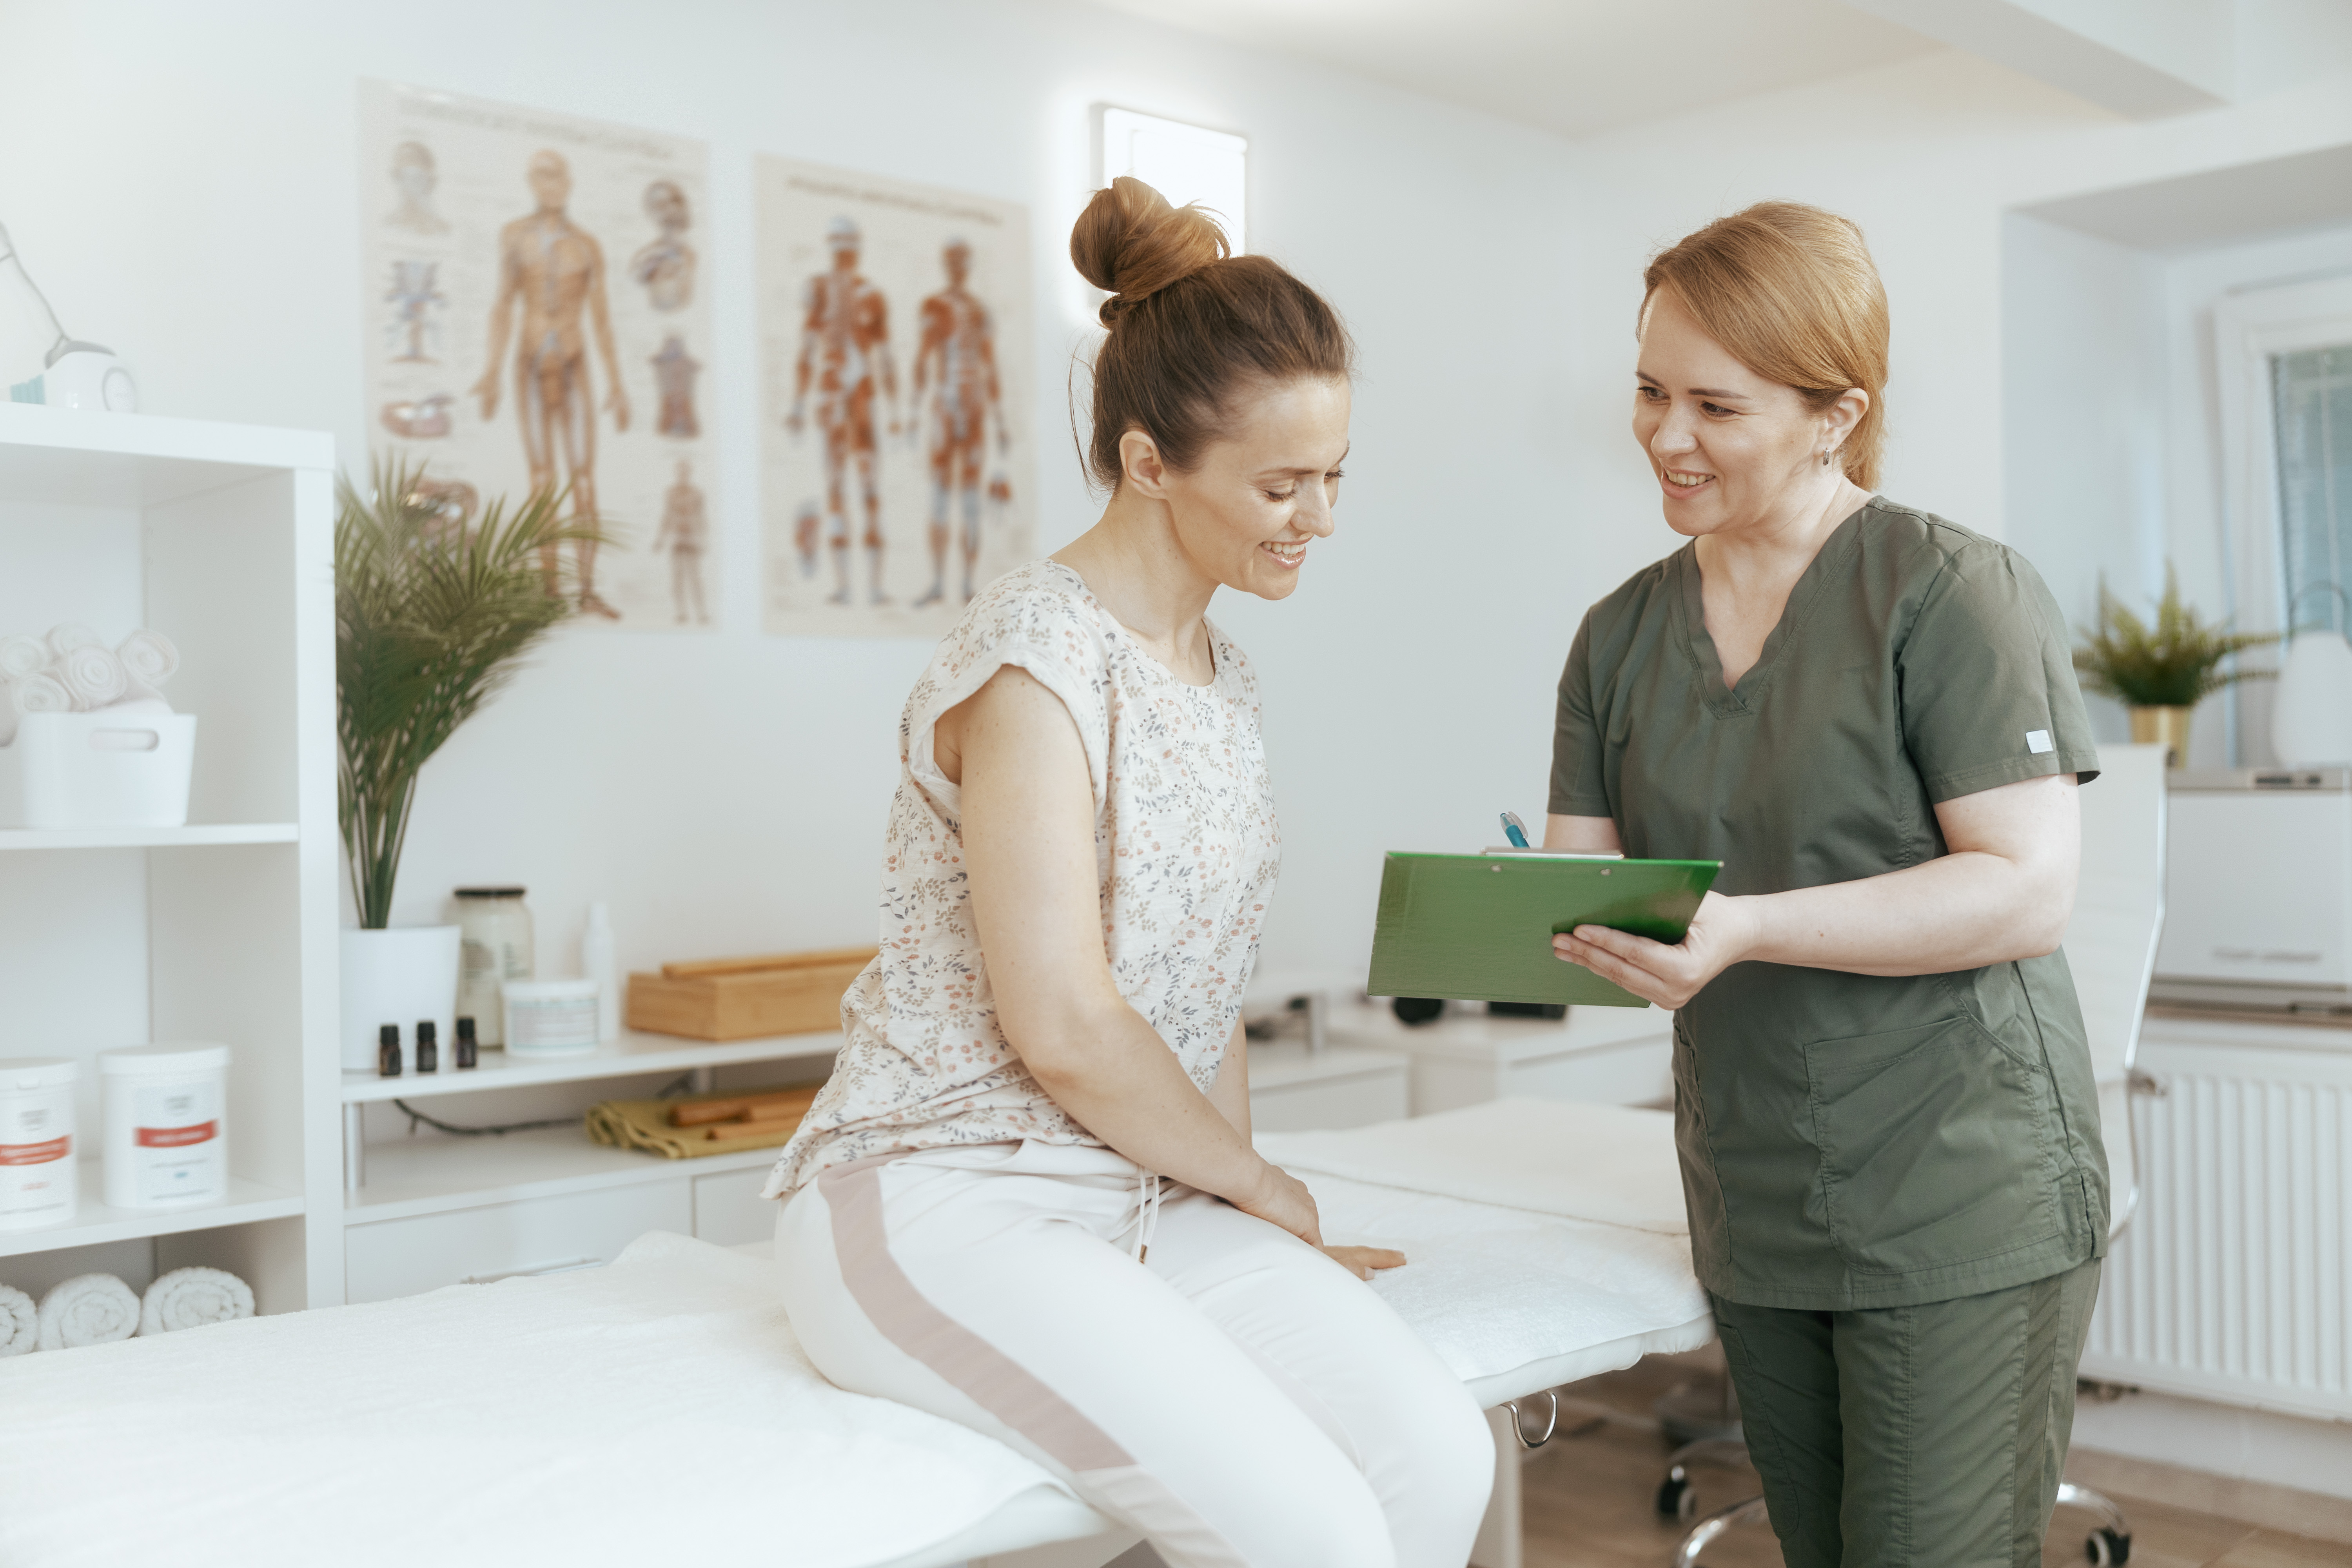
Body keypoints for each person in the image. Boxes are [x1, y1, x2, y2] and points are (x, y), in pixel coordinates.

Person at [765, 176, 1492, 1568]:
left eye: (1337, 474)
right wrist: (1265, 1190)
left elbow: (1198, 991)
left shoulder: (1224, 675)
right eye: (1282, 485)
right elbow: (1068, 1022)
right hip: (942, 1192)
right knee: (1313, 1530)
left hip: (1140, 1195)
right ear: (1149, 461)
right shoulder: (1037, 662)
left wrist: (1236, 1199)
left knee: (1434, 1456)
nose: (1320, 518)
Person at [1545, 202, 2108, 1568]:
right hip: (1759, 1190)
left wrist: (1738, 930)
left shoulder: (1952, 594)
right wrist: (1534, 912)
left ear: (1834, 414)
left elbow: (2027, 889)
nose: (1666, 436)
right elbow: (1589, 877)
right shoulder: (1619, 635)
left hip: (1959, 1187)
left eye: (1715, 405)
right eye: (1649, 389)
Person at [472, 149, 630, 618]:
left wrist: (617, 383)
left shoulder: (586, 245)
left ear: (569, 182)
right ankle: (548, 591)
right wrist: (490, 371)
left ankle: (585, 589)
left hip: (576, 359)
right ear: (531, 181)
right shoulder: (514, 238)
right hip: (530, 360)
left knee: (583, 477)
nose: (551, 184)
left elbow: (602, 318)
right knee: (542, 480)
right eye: (542, 176)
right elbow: (502, 304)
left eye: (558, 176)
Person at [788, 215, 898, 606]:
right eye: (841, 246)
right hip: (834, 398)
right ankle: (844, 586)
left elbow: (884, 355)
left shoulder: (872, 296)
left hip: (861, 399)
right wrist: (798, 406)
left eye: (850, 246)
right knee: (836, 489)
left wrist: (897, 410)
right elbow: (806, 351)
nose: (846, 254)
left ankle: (874, 586)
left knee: (869, 490)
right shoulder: (818, 291)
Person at [908, 236, 1008, 607]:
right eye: (953, 260)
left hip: (975, 411)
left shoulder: (980, 312)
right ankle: (937, 581)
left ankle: (966, 582)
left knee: (969, 502)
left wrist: (999, 422)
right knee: (939, 497)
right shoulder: (934, 307)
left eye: (961, 260)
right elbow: (923, 358)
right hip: (946, 412)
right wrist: (912, 411)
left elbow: (990, 366)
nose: (957, 266)